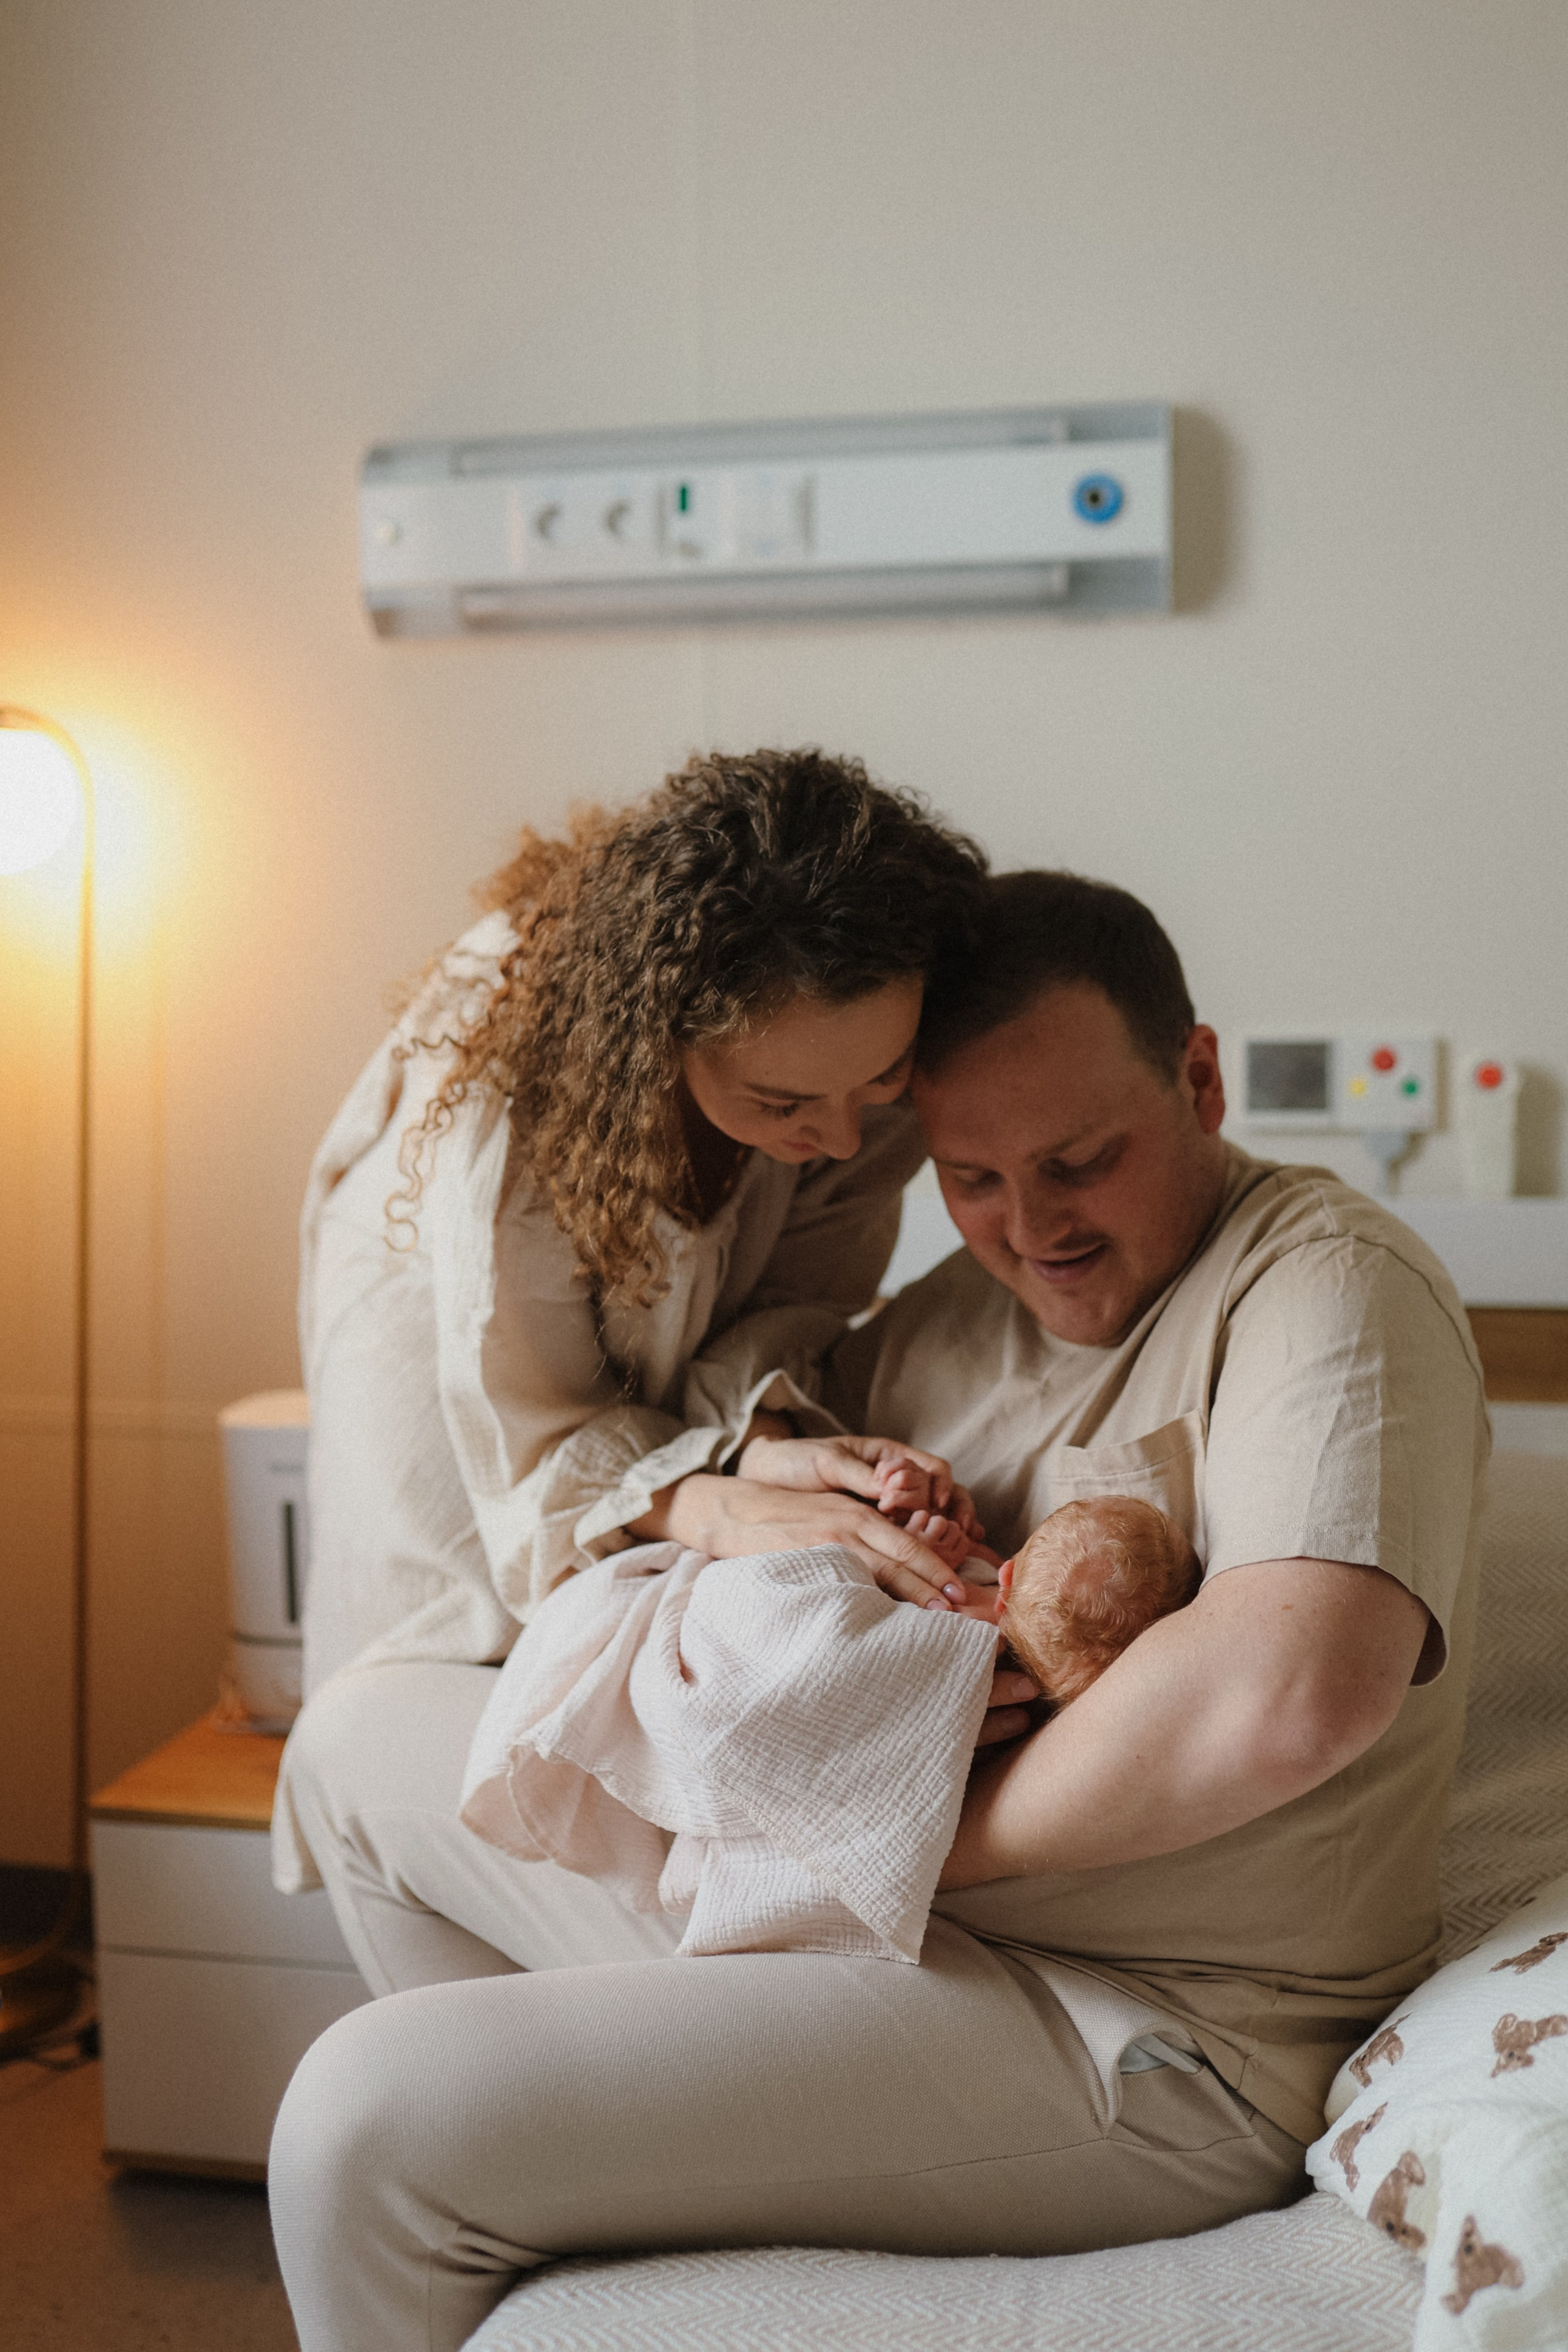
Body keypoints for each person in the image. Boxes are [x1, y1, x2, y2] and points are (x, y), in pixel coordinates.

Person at [269, 867, 1487, 2352]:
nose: (1029, 1226)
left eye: (1080, 1160)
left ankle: (487, 2151)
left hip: (1142, 2026)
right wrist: (771, 1497)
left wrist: (881, 1828)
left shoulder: (1322, 1283)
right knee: (355, 1740)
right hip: (868, 1929)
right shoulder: (958, 1317)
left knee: (357, 2119)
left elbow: (1289, 1695)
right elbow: (749, 1552)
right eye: (970, 1179)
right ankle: (548, 2212)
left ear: (1198, 1077)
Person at [279, 747, 989, 1731]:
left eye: (878, 1079)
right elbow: (531, 1439)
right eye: (782, 1101)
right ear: (663, 1035)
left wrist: (761, 1444)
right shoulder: (516, 1092)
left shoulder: (867, 1086)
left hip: (608, 1430)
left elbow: (792, 1305)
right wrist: (706, 1504)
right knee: (435, 1681)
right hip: (445, 1351)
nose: (836, 1140)